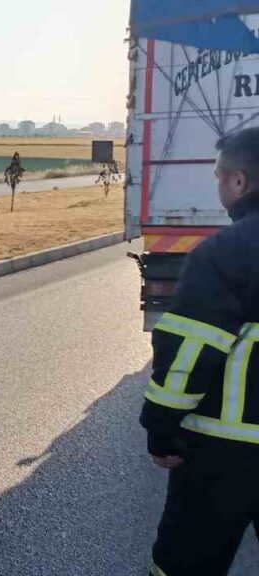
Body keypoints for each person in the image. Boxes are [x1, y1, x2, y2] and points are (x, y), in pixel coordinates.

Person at [142, 127, 259, 575]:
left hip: (222, 455)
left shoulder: (225, 252)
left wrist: (162, 429)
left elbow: (189, 355)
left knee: (185, 565)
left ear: (238, 182)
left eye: (218, 176)